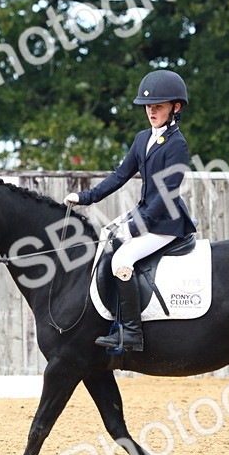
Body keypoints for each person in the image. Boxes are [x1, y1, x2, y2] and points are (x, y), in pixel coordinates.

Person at [66, 69, 198, 352]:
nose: (152, 111)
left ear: (175, 107)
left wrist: (137, 226)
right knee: (105, 237)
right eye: (149, 107)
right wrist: (87, 197)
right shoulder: (142, 139)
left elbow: (166, 193)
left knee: (122, 260)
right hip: (146, 212)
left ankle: (132, 333)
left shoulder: (177, 145)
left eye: (158, 107)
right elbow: (119, 175)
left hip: (167, 222)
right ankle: (111, 319)